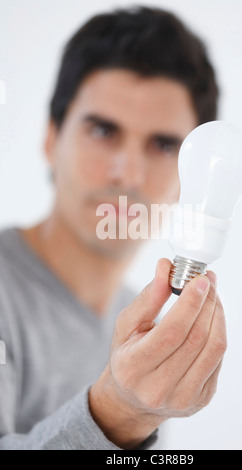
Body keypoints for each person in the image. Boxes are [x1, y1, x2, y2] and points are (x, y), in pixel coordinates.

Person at [0, 6, 226, 450]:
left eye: (163, 144)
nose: (128, 174)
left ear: (193, 173)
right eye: (103, 131)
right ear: (51, 139)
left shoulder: (144, 324)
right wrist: (118, 413)